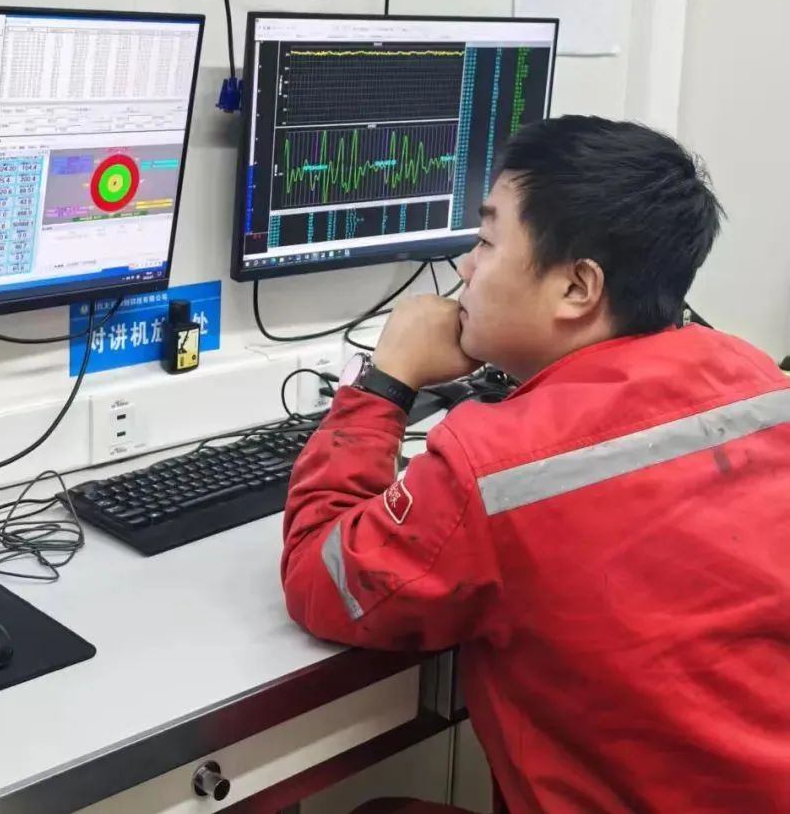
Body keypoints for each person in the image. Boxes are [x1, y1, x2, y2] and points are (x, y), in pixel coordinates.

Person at [281, 116, 790, 814]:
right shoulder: (757, 378)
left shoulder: (496, 471)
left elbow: (321, 578)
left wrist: (386, 381)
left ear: (578, 288)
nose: (466, 268)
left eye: (487, 241)